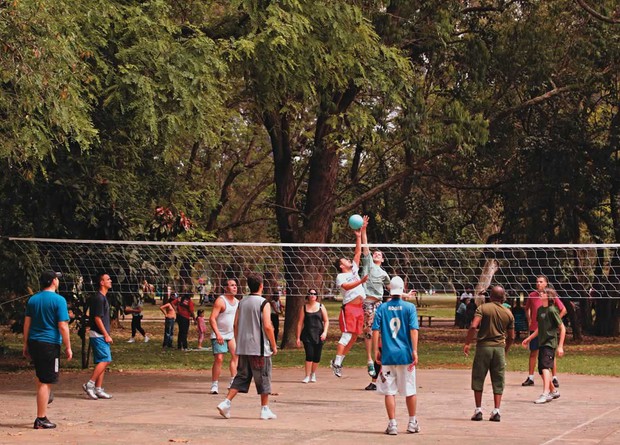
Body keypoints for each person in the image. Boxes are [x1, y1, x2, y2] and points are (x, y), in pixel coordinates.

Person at [217, 273, 278, 420]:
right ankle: (264, 409)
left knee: (242, 376)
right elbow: (268, 326)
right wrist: (273, 345)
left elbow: (235, 324)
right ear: (261, 286)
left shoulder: (241, 302)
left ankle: (226, 402)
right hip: (259, 348)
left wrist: (239, 340)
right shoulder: (264, 303)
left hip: (243, 347)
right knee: (264, 376)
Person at [23, 271, 73, 429]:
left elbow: (27, 324)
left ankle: (43, 400)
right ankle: (41, 418)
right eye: (57, 278)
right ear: (53, 281)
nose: (58, 280)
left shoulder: (33, 299)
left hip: (34, 342)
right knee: (46, 381)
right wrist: (68, 346)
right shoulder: (59, 300)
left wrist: (25, 344)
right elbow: (63, 326)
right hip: (49, 344)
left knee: (41, 377)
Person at [371, 276, 420, 435]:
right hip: (405, 354)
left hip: (388, 355)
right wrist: (414, 350)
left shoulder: (382, 308)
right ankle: (412, 422)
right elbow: (413, 330)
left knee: (389, 391)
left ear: (389, 289)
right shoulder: (409, 308)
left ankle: (392, 424)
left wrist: (376, 351)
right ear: (403, 288)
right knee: (410, 389)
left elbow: (375, 330)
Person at [463, 285, 515, 422]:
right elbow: (512, 336)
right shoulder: (508, 313)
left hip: (483, 347)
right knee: (498, 379)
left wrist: (468, 342)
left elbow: (474, 326)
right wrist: (505, 349)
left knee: (478, 377)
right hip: (499, 349)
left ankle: (478, 410)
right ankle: (497, 410)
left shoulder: (483, 308)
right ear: (503, 297)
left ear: (490, 296)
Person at [330, 226, 369, 378]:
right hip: (349, 309)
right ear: (341, 266)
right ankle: (337, 363)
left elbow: (358, 252)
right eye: (345, 260)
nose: (348, 260)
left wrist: (358, 236)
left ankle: (338, 361)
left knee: (354, 337)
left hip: (359, 308)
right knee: (346, 336)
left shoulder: (354, 271)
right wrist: (361, 281)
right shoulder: (341, 276)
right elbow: (346, 287)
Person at [360, 215, 390, 389]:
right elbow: (365, 246)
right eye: (375, 253)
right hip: (368, 303)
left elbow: (392, 289)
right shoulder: (369, 264)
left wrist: (405, 294)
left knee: (380, 334)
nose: (376, 254)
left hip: (379, 304)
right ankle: (370, 359)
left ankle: (379, 367)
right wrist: (364, 229)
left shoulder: (384, 274)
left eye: (379, 254)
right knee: (368, 330)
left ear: (383, 259)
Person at [522, 288, 566, 404]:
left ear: (549, 297)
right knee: (541, 370)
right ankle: (553, 391)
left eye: (544, 293)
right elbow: (539, 328)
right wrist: (529, 338)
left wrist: (560, 346)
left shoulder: (552, 310)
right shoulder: (540, 309)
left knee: (545, 368)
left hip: (549, 343)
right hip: (541, 342)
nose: (541, 294)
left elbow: (562, 328)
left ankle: (545, 393)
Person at [83, 273, 114, 400]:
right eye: (108, 279)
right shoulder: (99, 298)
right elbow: (97, 318)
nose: (110, 281)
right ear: (101, 282)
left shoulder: (103, 297)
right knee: (106, 360)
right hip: (98, 334)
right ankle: (89, 384)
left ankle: (98, 388)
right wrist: (106, 334)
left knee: (102, 361)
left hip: (100, 334)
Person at [209, 279, 240, 394]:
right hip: (219, 334)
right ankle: (214, 384)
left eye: (235, 285)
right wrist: (217, 334)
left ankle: (233, 381)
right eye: (232, 285)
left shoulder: (237, 302)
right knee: (219, 359)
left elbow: (236, 322)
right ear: (226, 288)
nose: (235, 287)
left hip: (231, 335)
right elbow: (212, 318)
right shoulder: (221, 301)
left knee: (236, 356)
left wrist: (237, 335)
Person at [295, 288, 329, 383]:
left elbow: (326, 321)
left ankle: (313, 373)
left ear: (317, 296)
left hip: (319, 335)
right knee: (309, 355)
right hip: (307, 335)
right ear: (308, 296)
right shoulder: (304, 307)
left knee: (317, 357)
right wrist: (297, 337)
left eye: (314, 294)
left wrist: (325, 332)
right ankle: (307, 375)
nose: (312, 295)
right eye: (310, 293)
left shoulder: (321, 306)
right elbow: (299, 323)